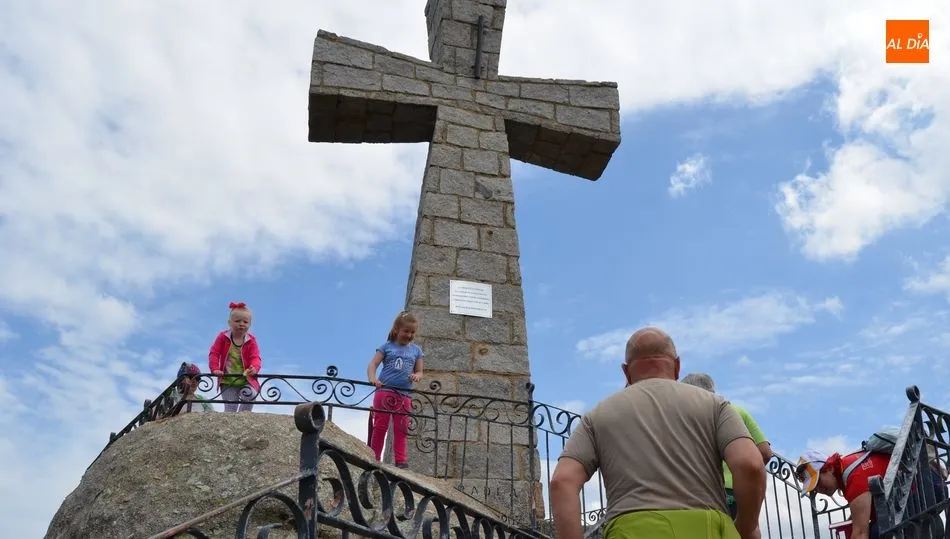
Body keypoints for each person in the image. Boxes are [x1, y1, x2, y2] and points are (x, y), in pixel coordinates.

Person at [550, 327, 766, 539]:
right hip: (707, 527)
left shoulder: (597, 416)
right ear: (677, 365)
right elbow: (751, 465)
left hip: (631, 530)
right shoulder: (715, 405)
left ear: (626, 371)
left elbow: (562, 482)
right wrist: (746, 526)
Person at [682, 372, 773, 528]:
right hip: (736, 490)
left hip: (697, 493)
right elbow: (764, 452)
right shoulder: (734, 411)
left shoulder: (684, 418)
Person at [797, 446, 947, 539]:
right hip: (928, 485)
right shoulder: (848, 467)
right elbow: (862, 512)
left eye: (818, 483)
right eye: (813, 488)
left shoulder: (854, 475)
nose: (818, 490)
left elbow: (860, 533)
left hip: (924, 489)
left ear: (829, 468)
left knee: (875, 533)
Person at [366, 311, 424, 469]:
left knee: (402, 429)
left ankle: (401, 461)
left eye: (412, 332)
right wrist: (373, 378)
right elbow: (373, 364)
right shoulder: (386, 347)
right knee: (380, 426)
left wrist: (417, 376)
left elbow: (420, 371)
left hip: (404, 395)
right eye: (406, 331)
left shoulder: (416, 351)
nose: (409, 335)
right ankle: (374, 458)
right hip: (385, 392)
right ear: (397, 330)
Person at [208, 301, 262, 412]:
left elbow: (255, 357)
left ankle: (243, 419)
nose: (241, 324)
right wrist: (215, 369)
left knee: (251, 395)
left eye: (245, 322)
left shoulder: (251, 341)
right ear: (229, 322)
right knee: (230, 408)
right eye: (237, 321)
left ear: (249, 324)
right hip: (228, 381)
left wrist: (254, 368)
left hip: (246, 379)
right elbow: (214, 353)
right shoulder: (223, 337)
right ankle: (231, 425)